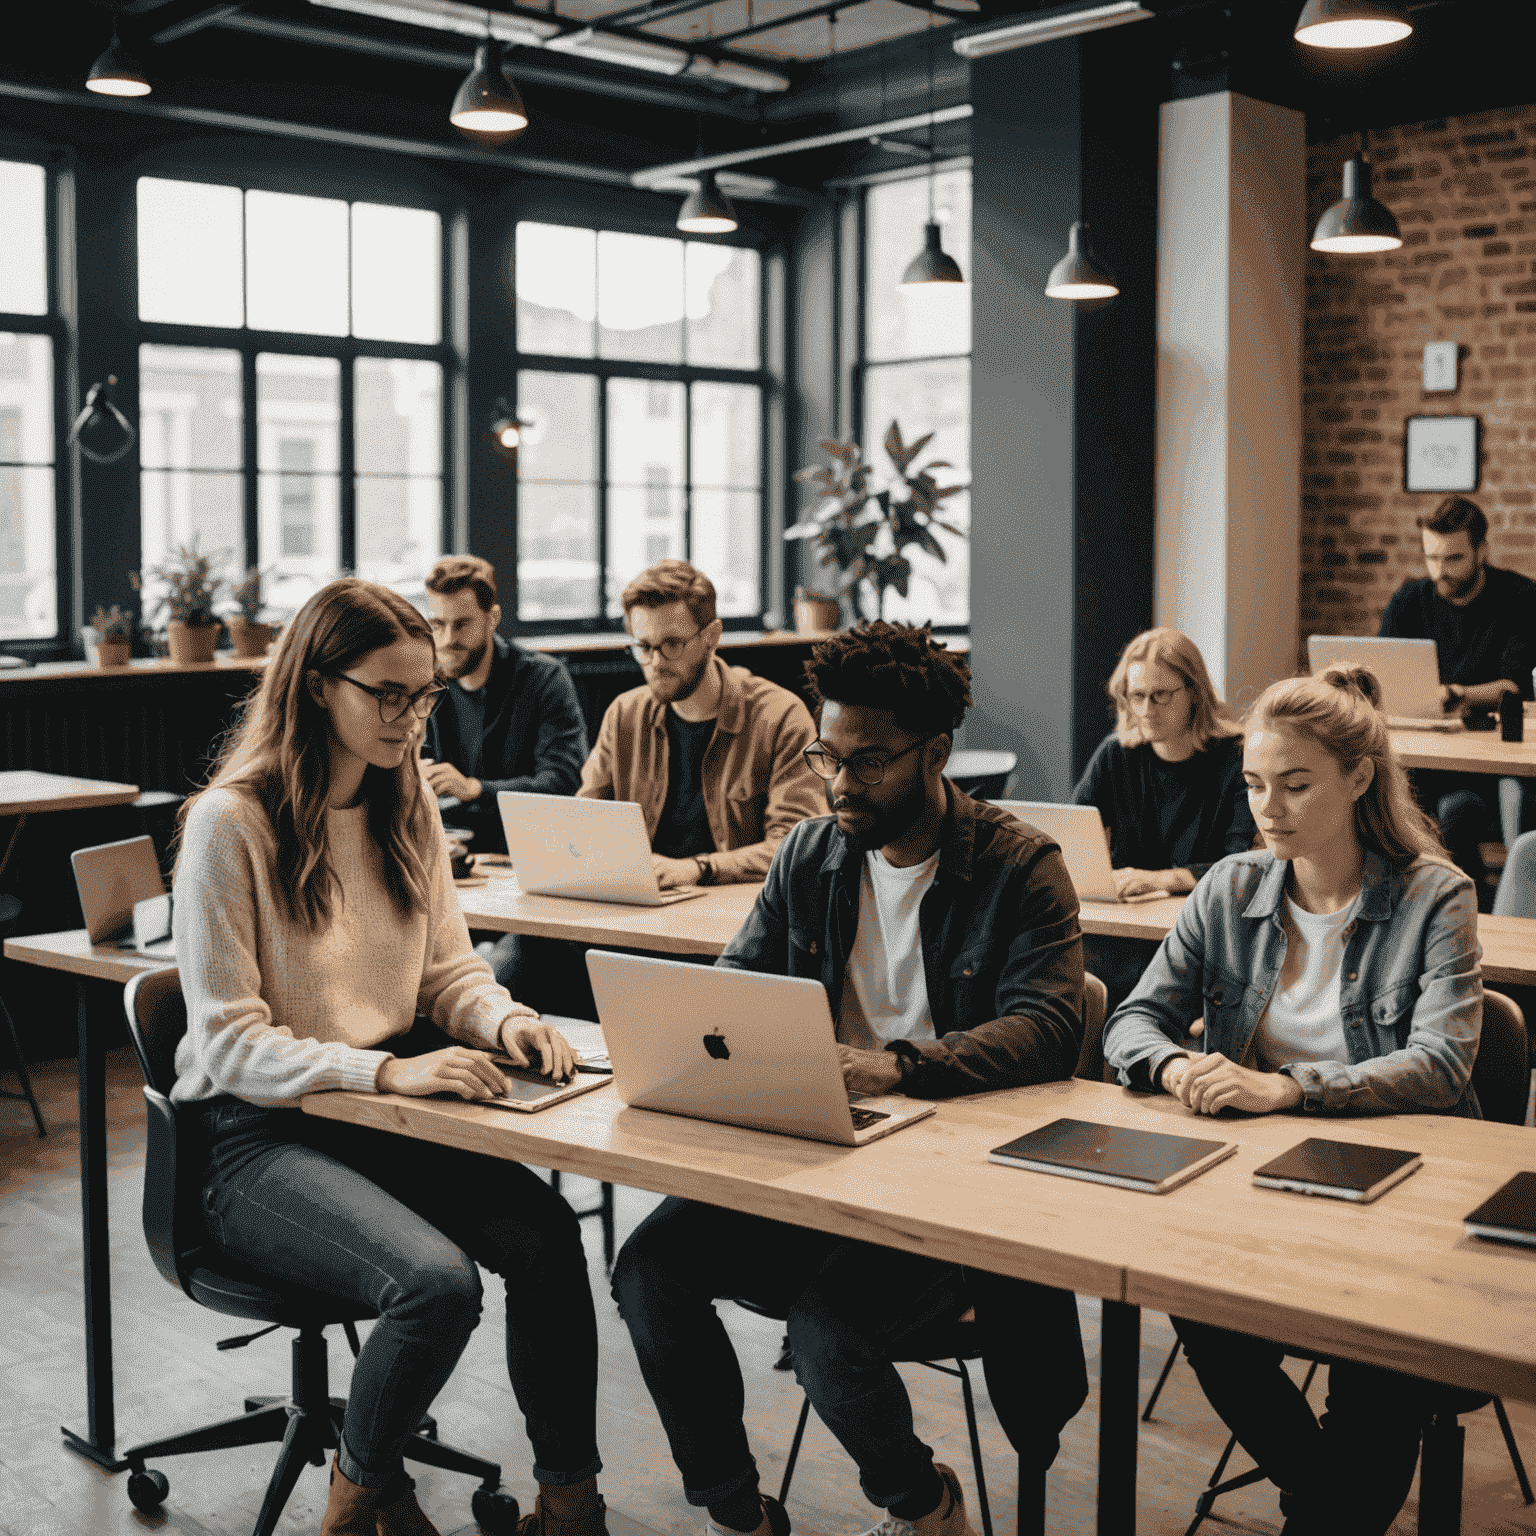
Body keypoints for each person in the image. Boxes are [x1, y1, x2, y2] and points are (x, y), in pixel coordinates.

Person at [611, 622, 1089, 1536]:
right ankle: (737, 1512)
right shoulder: (811, 854)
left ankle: (923, 1504)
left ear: (935, 752)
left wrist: (899, 1067)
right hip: (821, 1153)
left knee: (829, 1332)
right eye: (827, 755)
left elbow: (1051, 1028)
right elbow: (735, 994)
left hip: (952, 1184)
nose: (837, 784)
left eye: (867, 764)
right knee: (649, 1271)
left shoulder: (1021, 867)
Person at [170, 578, 609, 1536]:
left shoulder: (402, 805)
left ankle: (571, 1502)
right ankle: (361, 1504)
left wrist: (504, 1022)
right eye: (389, 695)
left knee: (545, 1240)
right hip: (252, 1133)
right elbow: (229, 1043)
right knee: (436, 1285)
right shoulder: (227, 824)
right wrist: (388, 1070)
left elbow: (446, 974)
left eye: (427, 696)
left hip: (375, 1115)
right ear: (317, 686)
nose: (413, 721)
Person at [1103, 663, 1482, 1536]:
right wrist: (1172, 1069)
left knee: (1373, 1366)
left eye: (1295, 785)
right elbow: (1133, 1020)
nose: (1266, 808)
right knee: (1195, 1304)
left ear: (1358, 778)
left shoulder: (1437, 897)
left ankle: (1325, 1504)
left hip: (1405, 1198)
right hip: (1261, 1187)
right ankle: (1326, 1497)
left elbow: (1441, 1066)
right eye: (1253, 784)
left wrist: (1285, 1087)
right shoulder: (1229, 888)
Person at [578, 559, 824, 887]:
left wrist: (698, 868)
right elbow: (584, 823)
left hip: (736, 914)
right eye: (644, 647)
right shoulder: (625, 714)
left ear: (712, 636)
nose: (655, 662)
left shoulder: (780, 718)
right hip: (644, 907)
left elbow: (796, 847)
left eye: (672, 645)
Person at [1071, 627, 1256, 1006]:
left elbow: (1239, 863)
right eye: (1136, 696)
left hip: (1198, 925)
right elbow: (1072, 833)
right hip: (1127, 924)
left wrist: (1158, 879)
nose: (1146, 710)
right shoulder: (1116, 754)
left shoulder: (1237, 758)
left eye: (1161, 696)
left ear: (1194, 692)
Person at [1379, 494, 1536, 893]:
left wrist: (1455, 693)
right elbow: (1383, 676)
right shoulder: (1410, 599)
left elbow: (1514, 686)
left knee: (1455, 811)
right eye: (1432, 558)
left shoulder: (1519, 598)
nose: (1440, 572)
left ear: (1481, 550)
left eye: (1453, 559)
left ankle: (1468, 903)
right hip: (1419, 754)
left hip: (1482, 762)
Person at [421, 555, 588, 853]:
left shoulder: (543, 678)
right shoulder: (425, 682)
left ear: (492, 618)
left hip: (527, 851)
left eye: (462, 625)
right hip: (448, 852)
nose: (447, 639)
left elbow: (563, 783)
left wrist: (474, 789)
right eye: (437, 624)